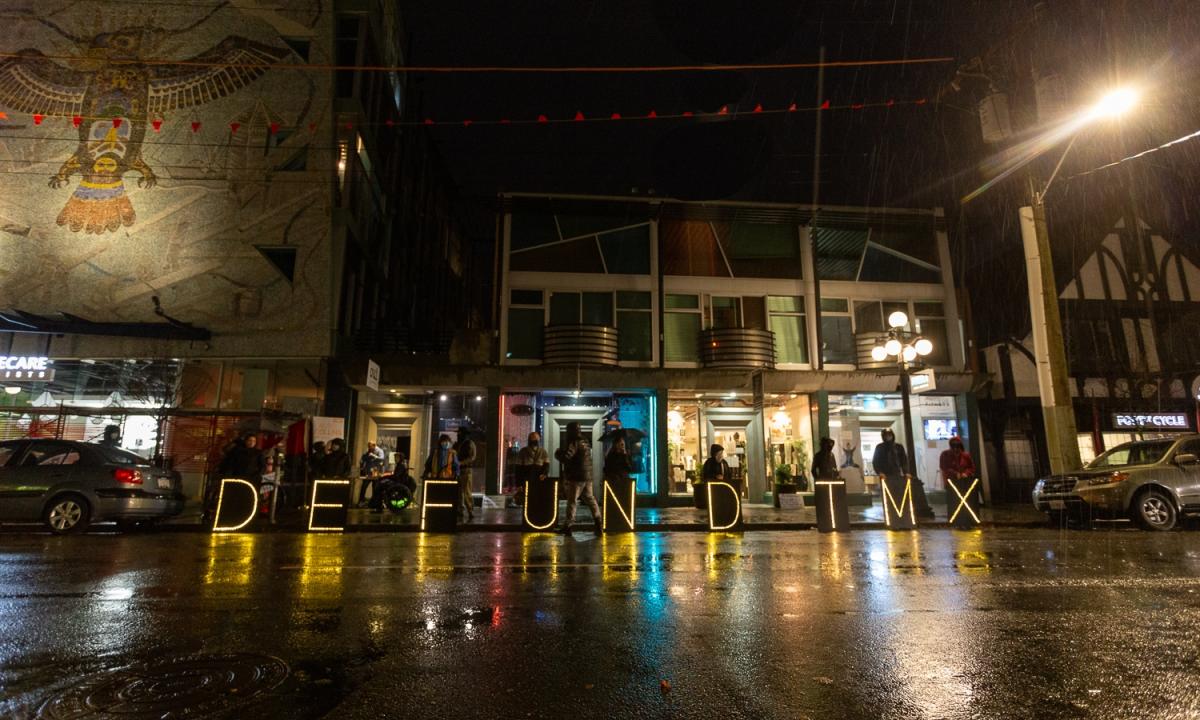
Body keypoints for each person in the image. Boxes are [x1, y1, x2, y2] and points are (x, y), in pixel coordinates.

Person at [872, 428, 934, 518]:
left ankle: (899, 516)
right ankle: (890, 516)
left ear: (892, 435)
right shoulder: (880, 447)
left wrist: (906, 472)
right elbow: (876, 461)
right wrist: (880, 472)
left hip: (897, 475)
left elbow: (904, 461)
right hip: (885, 476)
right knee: (888, 497)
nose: (888, 437)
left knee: (899, 495)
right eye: (886, 435)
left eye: (889, 435)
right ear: (883, 436)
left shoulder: (898, 447)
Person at [554, 421, 601, 536]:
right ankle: (598, 523)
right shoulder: (585, 441)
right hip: (587, 476)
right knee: (590, 499)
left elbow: (567, 457)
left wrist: (558, 453)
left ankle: (568, 526)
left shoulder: (574, 442)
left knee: (572, 501)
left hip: (577, 476)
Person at [455, 427, 478, 521]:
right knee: (458, 492)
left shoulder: (470, 443)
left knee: (466, 491)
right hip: (457, 471)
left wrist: (461, 463)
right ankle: (460, 510)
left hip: (466, 470)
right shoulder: (457, 444)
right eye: (458, 433)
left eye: (460, 433)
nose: (458, 435)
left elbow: (472, 457)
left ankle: (470, 510)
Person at [356, 441, 387, 507]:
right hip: (368, 472)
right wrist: (362, 464)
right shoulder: (368, 451)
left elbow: (382, 459)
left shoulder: (380, 451)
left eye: (370, 446)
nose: (369, 448)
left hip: (375, 472)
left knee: (375, 487)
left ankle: (374, 501)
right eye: (368, 446)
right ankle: (361, 501)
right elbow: (363, 459)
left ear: (374, 445)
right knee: (364, 486)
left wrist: (374, 456)